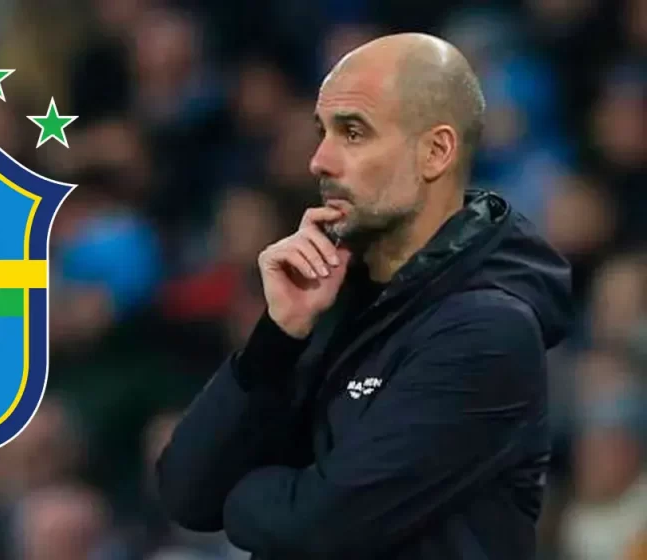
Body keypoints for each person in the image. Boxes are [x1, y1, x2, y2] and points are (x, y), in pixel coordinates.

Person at [155, 33, 574, 559]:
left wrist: (237, 497)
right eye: (322, 132)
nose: (319, 160)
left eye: (352, 132)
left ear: (436, 152)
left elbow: (318, 529)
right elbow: (187, 493)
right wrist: (277, 338)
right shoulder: (332, 297)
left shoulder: (488, 329)